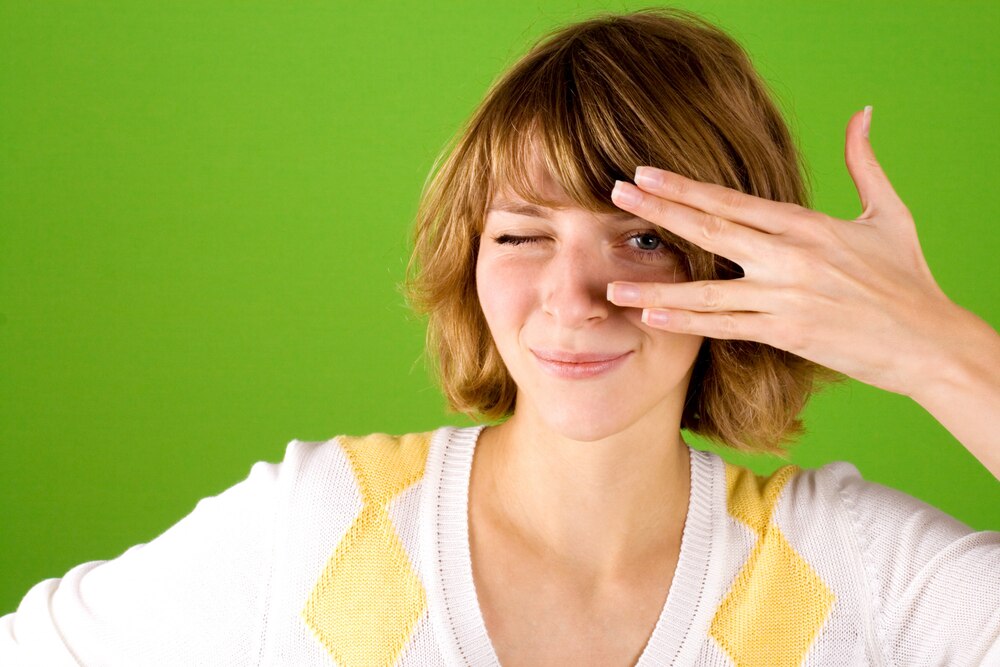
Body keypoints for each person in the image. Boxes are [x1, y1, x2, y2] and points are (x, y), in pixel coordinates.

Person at [2, 7, 998, 666]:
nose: (572, 293)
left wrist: (939, 350)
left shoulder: (854, 572)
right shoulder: (315, 532)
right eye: (521, 234)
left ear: (740, 263)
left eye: (644, 237)